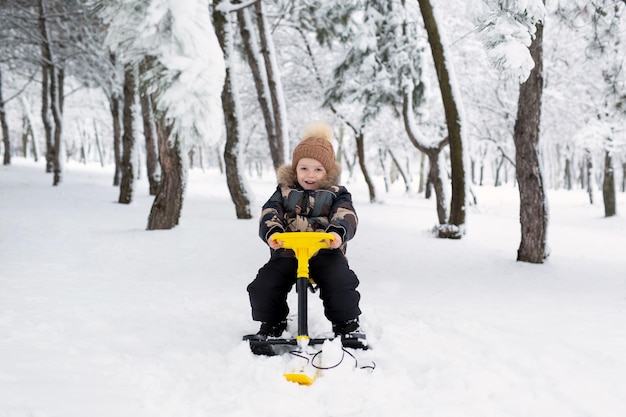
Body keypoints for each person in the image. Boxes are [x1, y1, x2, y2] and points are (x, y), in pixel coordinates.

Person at [247, 121, 363, 341]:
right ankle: (272, 322)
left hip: (324, 251)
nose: (310, 175)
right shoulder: (283, 192)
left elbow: (346, 214)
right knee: (264, 284)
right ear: (295, 169)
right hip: (288, 252)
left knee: (341, 281)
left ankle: (346, 324)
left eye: (318, 169)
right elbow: (270, 212)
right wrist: (273, 233)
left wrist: (337, 233)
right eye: (304, 168)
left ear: (327, 171)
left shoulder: (337, 193)